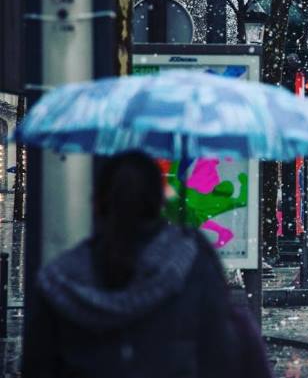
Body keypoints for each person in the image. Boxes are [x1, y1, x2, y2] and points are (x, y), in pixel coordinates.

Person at [23, 151, 273, 378]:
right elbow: (221, 354)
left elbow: (38, 364)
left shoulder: (61, 280)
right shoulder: (193, 263)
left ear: (97, 203)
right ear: (159, 202)